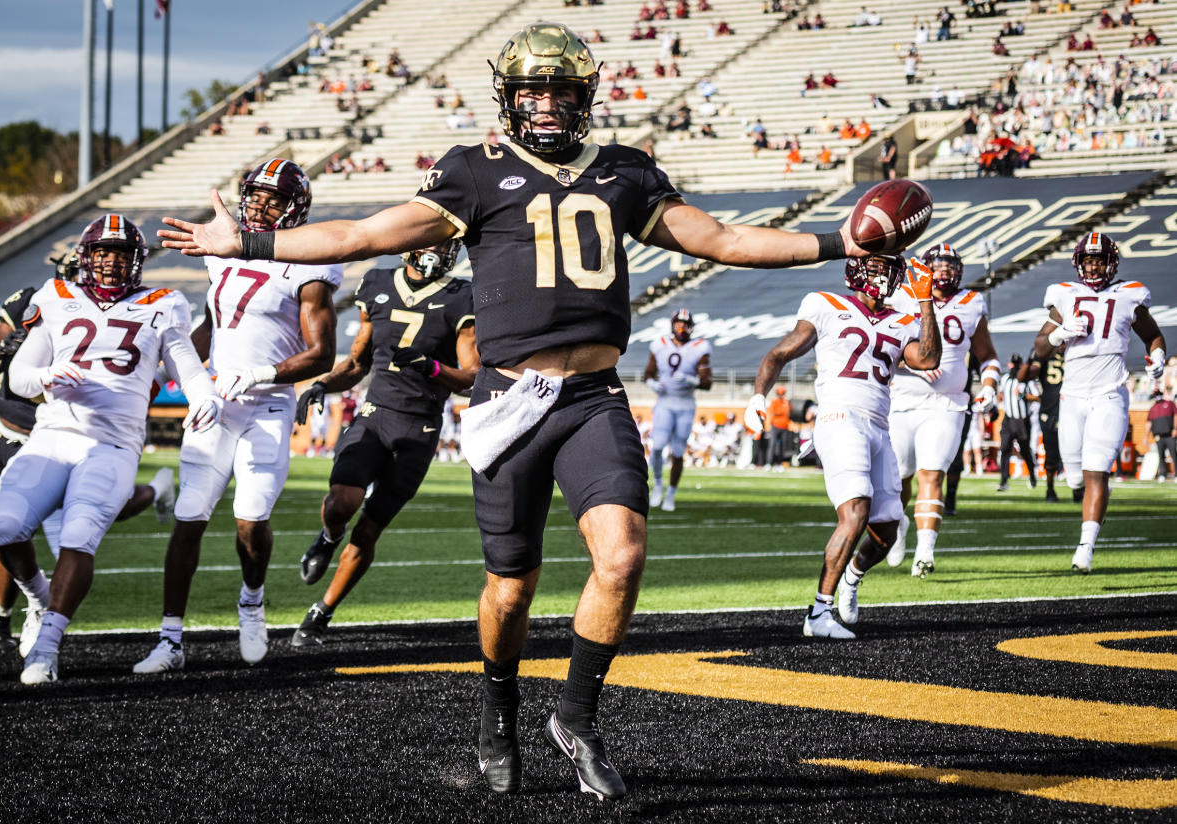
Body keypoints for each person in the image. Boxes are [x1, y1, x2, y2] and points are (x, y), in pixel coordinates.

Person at [158, 22, 868, 799]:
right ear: (509, 97)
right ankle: (498, 713)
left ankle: (577, 717)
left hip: (594, 396)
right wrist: (251, 242)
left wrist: (843, 241)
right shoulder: (472, 170)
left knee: (623, 555)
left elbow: (725, 238)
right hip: (507, 399)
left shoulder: (626, 171)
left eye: (561, 89)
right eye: (532, 89)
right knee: (511, 586)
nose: (546, 103)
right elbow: (362, 233)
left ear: (585, 97)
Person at [0, 214, 221, 684]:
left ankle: (46, 649)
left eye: (121, 253)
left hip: (113, 441)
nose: (110, 262)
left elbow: (188, 368)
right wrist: (48, 376)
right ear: (86, 257)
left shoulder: (163, 304)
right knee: (3, 527)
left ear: (136, 261)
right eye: (101, 252)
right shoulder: (55, 297)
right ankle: (37, 594)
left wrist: (205, 397)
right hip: (53, 434)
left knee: (78, 535)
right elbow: (20, 376)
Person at [133, 159, 340, 675]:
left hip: (267, 404)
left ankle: (252, 600)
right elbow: (212, 326)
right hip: (217, 403)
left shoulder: (310, 264)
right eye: (255, 195)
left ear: (296, 208)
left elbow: (321, 355)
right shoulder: (224, 254)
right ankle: (170, 638)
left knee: (250, 520)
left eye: (273, 198)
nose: (259, 205)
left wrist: (256, 374)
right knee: (189, 515)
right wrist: (166, 377)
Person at [0, 270, 176, 653]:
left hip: (70, 438)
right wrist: (6, 347)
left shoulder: (128, 313)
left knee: (76, 539)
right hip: (8, 436)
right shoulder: (39, 302)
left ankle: (17, 613)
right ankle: (158, 488)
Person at [290, 239, 479, 645]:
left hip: (420, 428)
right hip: (375, 415)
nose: (440, 252)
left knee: (370, 529)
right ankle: (327, 536)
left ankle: (320, 613)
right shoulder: (377, 282)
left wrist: (431, 368)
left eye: (449, 245)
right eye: (435, 243)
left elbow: (472, 377)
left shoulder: (461, 295)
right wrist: (323, 383)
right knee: (342, 502)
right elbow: (358, 362)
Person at [745, 255, 940, 639]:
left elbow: (929, 357)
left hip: (880, 426)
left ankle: (851, 577)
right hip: (839, 417)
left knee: (887, 529)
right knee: (856, 510)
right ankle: (819, 612)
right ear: (855, 270)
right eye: (875, 268)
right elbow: (779, 353)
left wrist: (925, 300)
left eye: (889, 270)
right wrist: (757, 397)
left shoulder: (904, 320)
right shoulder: (826, 305)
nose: (882, 277)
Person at [1034, 232, 1166, 572]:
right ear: (1079, 263)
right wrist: (1060, 334)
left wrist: (1159, 355)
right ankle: (1081, 496)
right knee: (1075, 476)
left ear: (1112, 263)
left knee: (1097, 472)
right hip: (1072, 397)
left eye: (1100, 260)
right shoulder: (1063, 295)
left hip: (1110, 393)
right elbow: (1040, 348)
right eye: (1089, 260)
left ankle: (1085, 548)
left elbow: (1152, 335)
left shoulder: (1128, 294)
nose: (1094, 267)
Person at [885, 244, 999, 578]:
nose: (945, 271)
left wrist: (990, 385)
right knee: (898, 478)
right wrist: (915, 364)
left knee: (933, 473)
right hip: (903, 399)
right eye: (938, 265)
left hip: (948, 403)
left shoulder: (971, 302)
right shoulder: (902, 296)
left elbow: (988, 355)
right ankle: (898, 523)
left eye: (950, 265)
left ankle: (925, 551)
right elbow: (886, 344)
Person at [643, 308, 711, 511]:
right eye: (678, 325)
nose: (681, 329)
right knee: (656, 446)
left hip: (685, 404)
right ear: (672, 326)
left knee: (679, 451)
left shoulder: (700, 347)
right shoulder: (660, 345)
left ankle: (671, 493)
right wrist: (652, 384)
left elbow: (707, 383)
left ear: (691, 327)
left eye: (684, 325)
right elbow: (648, 374)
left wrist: (691, 380)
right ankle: (657, 484)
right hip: (664, 402)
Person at [996, 354, 1039, 492]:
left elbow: (1038, 397)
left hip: (1022, 420)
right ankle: (1003, 480)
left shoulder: (1027, 381)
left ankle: (1032, 475)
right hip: (1008, 419)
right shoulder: (1005, 379)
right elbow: (1001, 395)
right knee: (1004, 449)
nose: (1014, 367)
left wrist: (1023, 396)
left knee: (1025, 450)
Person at [1027, 348, 1065, 501]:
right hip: (1051, 406)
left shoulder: (1075, 345)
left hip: (1066, 404)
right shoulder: (1045, 350)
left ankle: (1078, 488)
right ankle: (1050, 488)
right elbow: (1031, 372)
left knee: (1077, 449)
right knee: (1051, 452)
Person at [1148, 393, 1176, 482]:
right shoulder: (1153, 408)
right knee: (1161, 456)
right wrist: (1146, 436)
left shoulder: (1169, 404)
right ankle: (1162, 474)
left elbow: (1175, 416)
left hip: (1169, 435)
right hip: (1158, 436)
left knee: (1174, 455)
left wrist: (1175, 428)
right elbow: (1148, 422)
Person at [765, 387, 790, 470]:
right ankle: (768, 463)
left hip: (785, 426)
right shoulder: (774, 402)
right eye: (780, 393)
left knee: (783, 446)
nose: (781, 395)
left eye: (782, 393)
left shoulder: (786, 402)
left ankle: (779, 464)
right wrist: (783, 412)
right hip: (775, 425)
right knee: (772, 445)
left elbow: (789, 412)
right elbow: (775, 412)